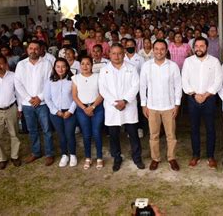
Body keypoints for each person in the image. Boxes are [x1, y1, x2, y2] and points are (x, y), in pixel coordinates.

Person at [98, 43, 145, 171]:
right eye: (114, 53)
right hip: (112, 108)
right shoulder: (104, 70)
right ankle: (117, 158)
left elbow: (136, 85)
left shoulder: (131, 68)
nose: (117, 56)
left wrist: (124, 101)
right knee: (113, 136)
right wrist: (115, 103)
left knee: (133, 134)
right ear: (109, 54)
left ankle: (137, 158)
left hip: (128, 106)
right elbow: (103, 89)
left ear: (124, 54)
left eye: (119, 53)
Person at [140, 40, 182, 171]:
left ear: (166, 50)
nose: (159, 51)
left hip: (169, 107)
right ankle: (155, 158)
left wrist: (177, 104)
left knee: (171, 135)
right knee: (154, 135)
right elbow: (142, 86)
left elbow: (178, 86)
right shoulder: (146, 66)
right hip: (152, 107)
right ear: (153, 50)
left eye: (162, 49)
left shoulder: (173, 66)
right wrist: (143, 105)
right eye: (156, 49)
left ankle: (171, 157)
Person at [182, 36, 223, 169]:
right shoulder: (188, 61)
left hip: (209, 99)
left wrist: (205, 95)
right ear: (193, 48)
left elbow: (218, 81)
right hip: (192, 99)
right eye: (197, 46)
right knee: (194, 128)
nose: (199, 49)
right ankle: (196, 155)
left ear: (207, 47)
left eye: (202, 46)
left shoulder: (215, 61)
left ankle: (210, 156)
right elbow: (184, 81)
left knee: (210, 128)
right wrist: (194, 94)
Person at [14, 40, 54, 166]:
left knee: (47, 129)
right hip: (27, 104)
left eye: (36, 48)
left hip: (42, 103)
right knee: (32, 130)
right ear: (27, 50)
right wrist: (28, 98)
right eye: (31, 48)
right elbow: (18, 83)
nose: (33, 51)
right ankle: (36, 152)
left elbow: (49, 82)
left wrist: (40, 98)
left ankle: (49, 154)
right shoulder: (21, 64)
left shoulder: (46, 63)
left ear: (40, 50)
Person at [72, 56, 105, 170]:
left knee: (96, 132)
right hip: (82, 109)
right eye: (82, 64)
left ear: (92, 65)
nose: (85, 66)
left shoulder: (98, 77)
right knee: (86, 134)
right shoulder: (75, 78)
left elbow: (102, 94)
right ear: (79, 65)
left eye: (87, 64)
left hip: (97, 107)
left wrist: (92, 107)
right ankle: (88, 157)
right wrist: (85, 108)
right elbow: (74, 96)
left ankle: (99, 157)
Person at [44, 58, 78, 167]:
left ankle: (72, 154)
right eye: (58, 66)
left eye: (63, 66)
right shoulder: (50, 81)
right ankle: (64, 155)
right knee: (61, 135)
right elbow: (47, 98)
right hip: (56, 113)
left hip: (69, 112)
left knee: (69, 134)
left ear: (67, 67)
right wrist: (56, 111)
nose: (60, 69)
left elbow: (76, 97)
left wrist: (70, 111)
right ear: (54, 68)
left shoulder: (73, 80)